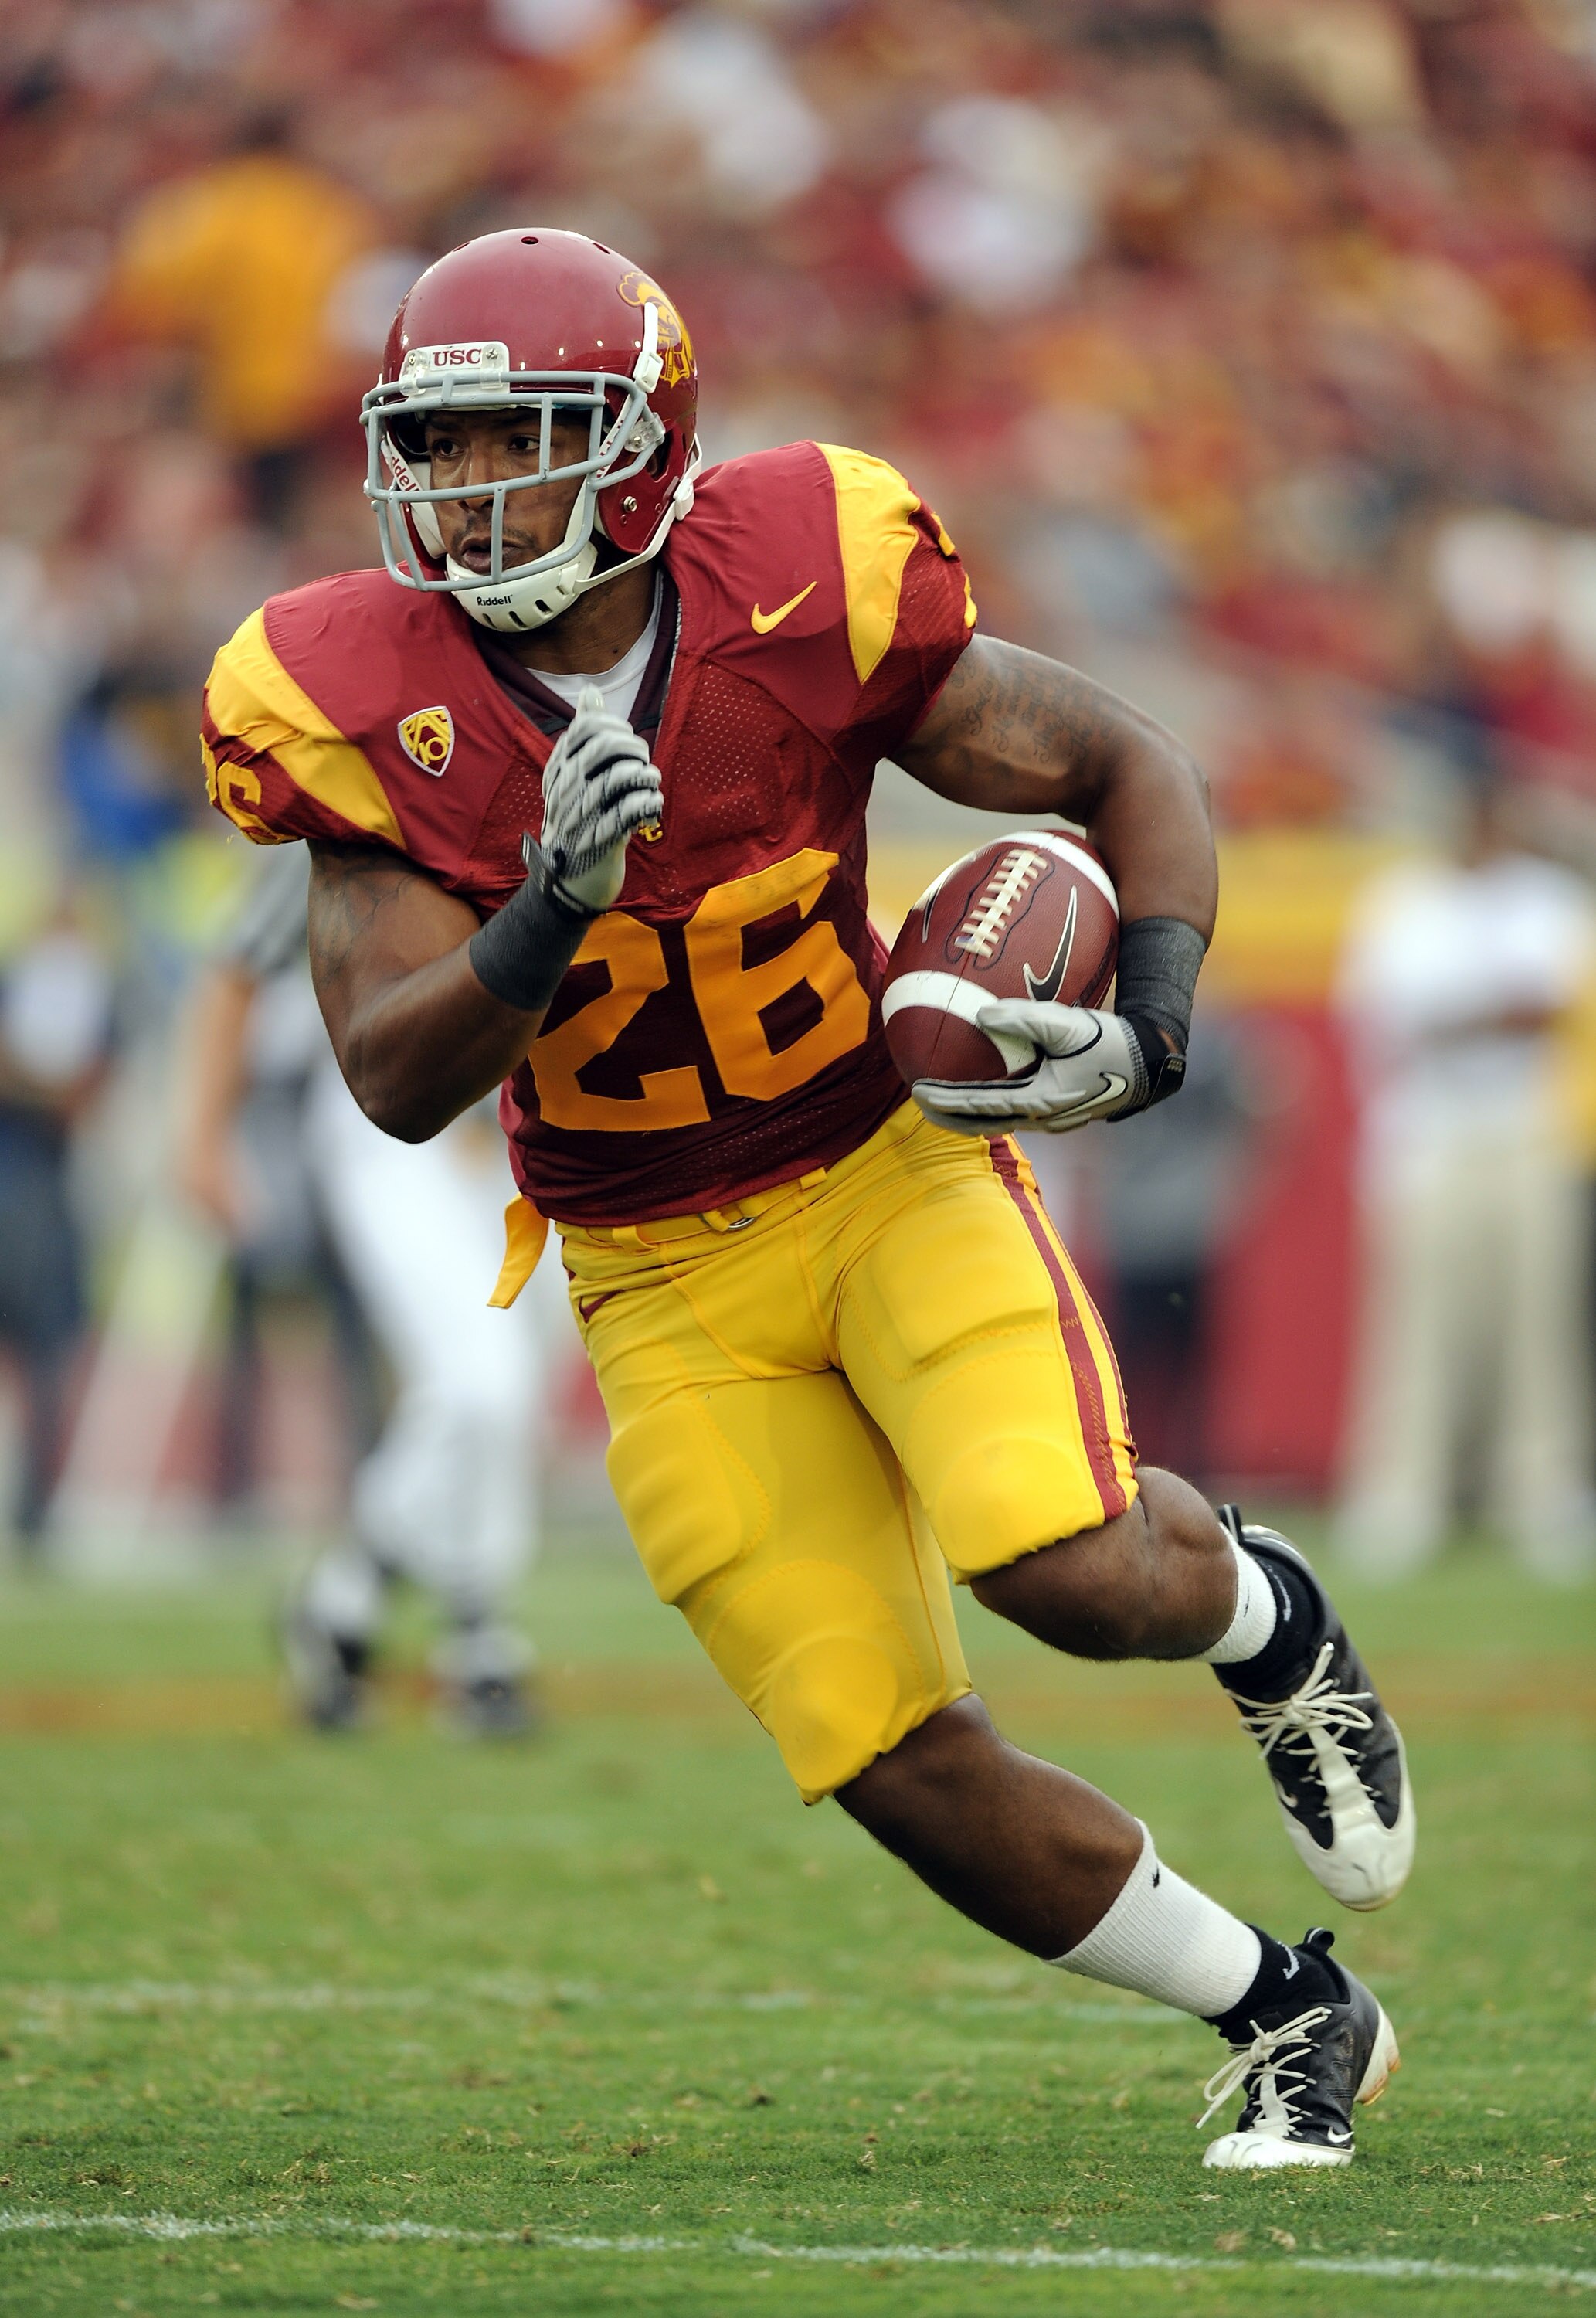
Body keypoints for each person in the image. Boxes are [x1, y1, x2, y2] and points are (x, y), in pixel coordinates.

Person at [201, 229, 1414, 2168]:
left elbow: (1121, 759)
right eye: (433, 443)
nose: (464, 487)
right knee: (877, 1746)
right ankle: (1289, 2010)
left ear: (641, 443)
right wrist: (545, 907)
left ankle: (1266, 1617)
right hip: (653, 1269)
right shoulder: (356, 694)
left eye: (519, 434)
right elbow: (397, 1074)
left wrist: (1151, 1023)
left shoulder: (801, 580)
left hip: (881, 1172)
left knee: (1065, 1562)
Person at [179, 841, 553, 1732]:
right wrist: (200, 1136)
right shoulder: (360, 765)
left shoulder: (566, 749)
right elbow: (239, 966)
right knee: (479, 1386)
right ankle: (475, 1641)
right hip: (396, 1128)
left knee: (510, 1393)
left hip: (535, 1129)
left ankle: (361, 1601)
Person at [1335, 773, 1596, 1582]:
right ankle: (1400, 1496)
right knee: (1418, 1325)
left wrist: (1474, 1017)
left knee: (1539, 1321)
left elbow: (1557, 1009)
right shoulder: (1400, 902)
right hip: (1430, 1140)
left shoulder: (1548, 898)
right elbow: (1397, 1022)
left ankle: (1542, 1491)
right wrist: (1494, 1013)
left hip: (1530, 1133)